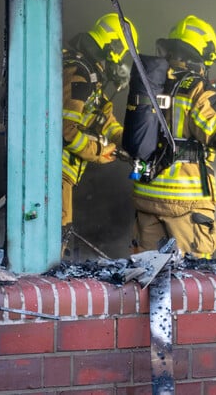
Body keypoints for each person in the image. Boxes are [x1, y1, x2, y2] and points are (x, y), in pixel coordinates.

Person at [131, 15, 216, 259]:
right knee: (192, 285)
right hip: (185, 205)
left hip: (147, 198)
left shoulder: (151, 84)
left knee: (147, 279)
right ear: (202, 55)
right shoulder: (196, 87)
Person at [61, 13, 138, 255]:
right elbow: (65, 131)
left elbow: (104, 117)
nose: (122, 64)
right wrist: (98, 151)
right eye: (124, 55)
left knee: (60, 236)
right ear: (114, 47)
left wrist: (127, 142)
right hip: (51, 172)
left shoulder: (88, 73)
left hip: (58, 174)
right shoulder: (80, 74)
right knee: (56, 239)